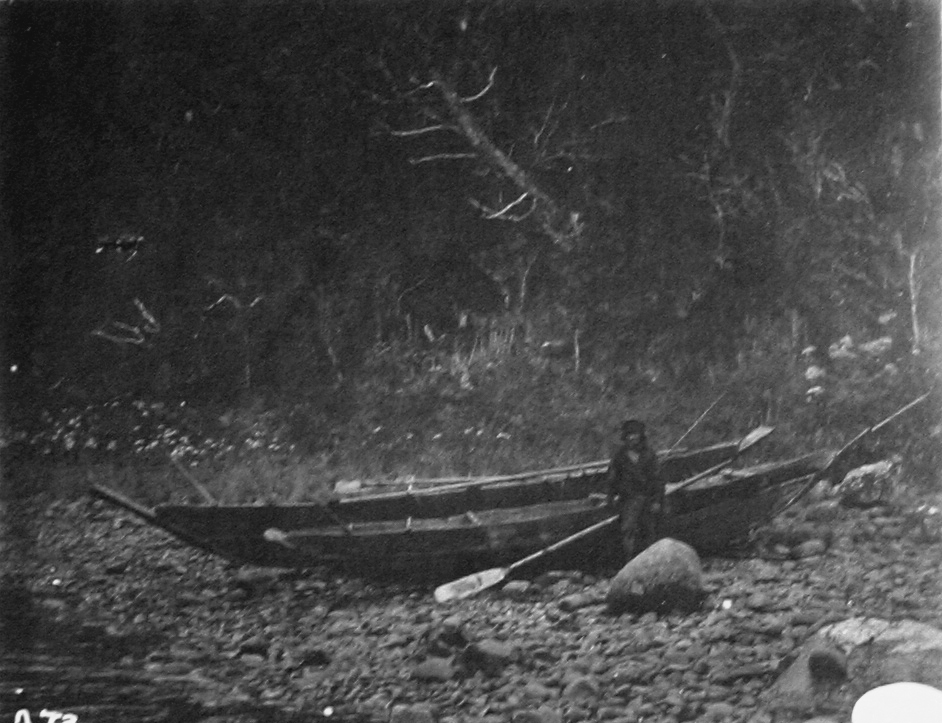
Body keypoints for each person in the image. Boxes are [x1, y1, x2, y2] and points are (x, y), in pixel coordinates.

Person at [607, 419, 663, 559]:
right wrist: (610, 498)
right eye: (629, 435)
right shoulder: (619, 457)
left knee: (649, 531)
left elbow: (658, 480)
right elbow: (612, 479)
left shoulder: (649, 455)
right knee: (628, 530)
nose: (632, 438)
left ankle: (651, 560)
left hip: (647, 499)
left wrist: (656, 501)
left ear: (641, 436)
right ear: (625, 437)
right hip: (628, 501)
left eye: (635, 434)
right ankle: (629, 561)